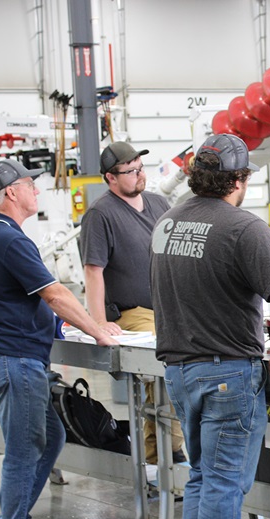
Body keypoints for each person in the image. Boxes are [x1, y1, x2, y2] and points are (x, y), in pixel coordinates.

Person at [150, 133, 270, 519]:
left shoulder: (166, 223)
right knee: (221, 483)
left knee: (200, 478)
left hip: (180, 370)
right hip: (227, 374)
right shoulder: (243, 227)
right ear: (240, 179)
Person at [0, 159, 119, 519]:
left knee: (49, 439)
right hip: (13, 360)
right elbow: (54, 293)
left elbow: (16, 298)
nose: (36, 191)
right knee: (24, 449)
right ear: (12, 193)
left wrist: (55, 324)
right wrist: (96, 329)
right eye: (29, 185)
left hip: (5, 355)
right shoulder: (9, 239)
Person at [79, 140, 186, 466]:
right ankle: (171, 456)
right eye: (130, 171)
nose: (139, 176)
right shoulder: (100, 214)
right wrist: (98, 322)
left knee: (168, 381)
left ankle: (156, 460)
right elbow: (93, 272)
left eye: (141, 169)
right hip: (132, 313)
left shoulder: (157, 203)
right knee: (173, 367)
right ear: (111, 177)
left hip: (166, 308)